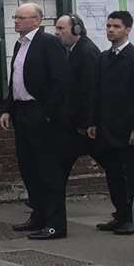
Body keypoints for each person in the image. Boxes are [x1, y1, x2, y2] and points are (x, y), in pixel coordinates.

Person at [0, 2, 69, 240]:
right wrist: (8, 109)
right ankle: (38, 215)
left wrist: (48, 112)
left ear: (37, 20)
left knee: (48, 170)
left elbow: (61, 81)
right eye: (15, 17)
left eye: (21, 17)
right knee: (28, 168)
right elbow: (15, 81)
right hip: (21, 111)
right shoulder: (20, 45)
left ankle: (55, 223)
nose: (15, 21)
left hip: (41, 112)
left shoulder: (48, 43)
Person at [89, 10, 134, 235]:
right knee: (112, 174)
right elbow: (96, 92)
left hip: (126, 128)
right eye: (109, 26)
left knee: (131, 175)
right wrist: (92, 122)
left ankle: (133, 217)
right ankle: (119, 214)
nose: (111, 30)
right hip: (106, 126)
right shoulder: (103, 58)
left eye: (116, 26)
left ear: (128, 29)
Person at [55, 14, 99, 191]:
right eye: (56, 28)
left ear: (76, 30)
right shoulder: (74, 50)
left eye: (61, 29)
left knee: (111, 164)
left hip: (81, 126)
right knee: (59, 163)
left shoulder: (86, 52)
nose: (56, 33)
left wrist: (88, 122)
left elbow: (90, 90)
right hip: (76, 124)